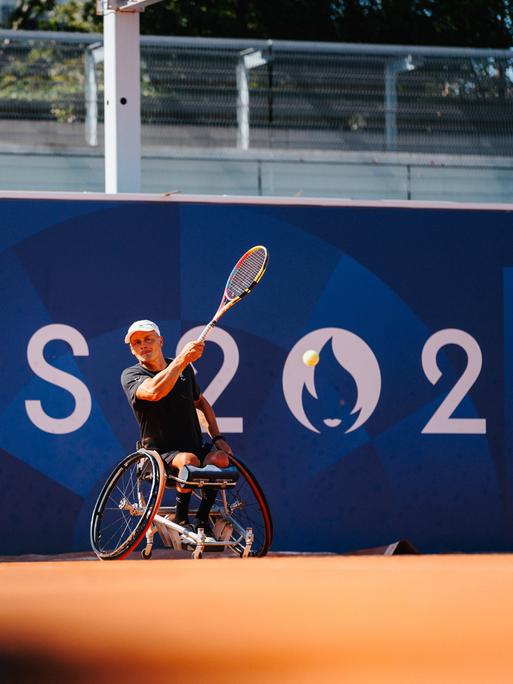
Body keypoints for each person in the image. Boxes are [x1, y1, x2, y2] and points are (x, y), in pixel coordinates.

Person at [120, 319, 232, 538]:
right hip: (158, 455)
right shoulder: (131, 375)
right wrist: (182, 360)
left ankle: (202, 518)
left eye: (148, 339)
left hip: (194, 446)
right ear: (132, 350)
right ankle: (181, 519)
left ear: (160, 341)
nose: (143, 345)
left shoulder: (184, 370)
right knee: (188, 460)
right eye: (137, 342)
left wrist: (217, 437)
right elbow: (154, 392)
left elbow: (200, 403)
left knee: (220, 460)